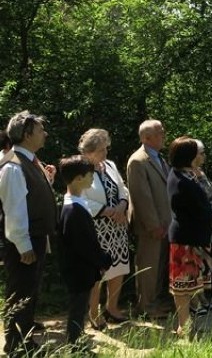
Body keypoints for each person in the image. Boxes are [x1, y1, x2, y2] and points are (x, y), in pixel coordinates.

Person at [0, 111, 57, 356]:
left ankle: (23, 338)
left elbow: (30, 198)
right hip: (23, 241)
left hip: (33, 236)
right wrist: (24, 245)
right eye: (40, 130)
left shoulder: (29, 160)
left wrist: (48, 180)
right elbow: (14, 210)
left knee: (29, 288)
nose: (45, 133)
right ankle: (16, 345)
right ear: (26, 135)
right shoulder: (14, 166)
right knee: (20, 290)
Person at [57, 156, 111, 352]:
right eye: (89, 175)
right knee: (77, 310)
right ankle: (75, 347)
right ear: (78, 178)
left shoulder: (76, 202)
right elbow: (84, 245)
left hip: (80, 267)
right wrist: (102, 260)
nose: (92, 179)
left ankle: (77, 344)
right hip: (78, 269)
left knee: (79, 308)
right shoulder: (73, 210)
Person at [78, 128, 131, 326]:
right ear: (89, 151)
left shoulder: (109, 165)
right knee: (98, 273)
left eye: (106, 148)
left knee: (119, 267)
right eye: (101, 150)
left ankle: (112, 308)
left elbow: (122, 188)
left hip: (117, 227)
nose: (106, 153)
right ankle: (94, 313)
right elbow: (80, 198)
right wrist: (107, 211)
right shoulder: (80, 168)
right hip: (96, 228)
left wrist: (122, 205)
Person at [167, 136, 212, 336]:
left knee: (192, 285)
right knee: (182, 286)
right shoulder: (181, 181)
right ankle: (184, 326)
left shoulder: (186, 175)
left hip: (194, 237)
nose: (200, 155)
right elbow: (198, 210)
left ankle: (188, 325)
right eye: (196, 152)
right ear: (188, 156)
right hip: (185, 239)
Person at [126, 119, 172, 318]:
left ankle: (155, 302)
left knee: (159, 266)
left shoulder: (159, 158)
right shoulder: (138, 160)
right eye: (159, 132)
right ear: (146, 138)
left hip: (166, 223)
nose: (164, 135)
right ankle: (145, 306)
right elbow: (141, 196)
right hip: (151, 227)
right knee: (148, 267)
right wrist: (153, 225)